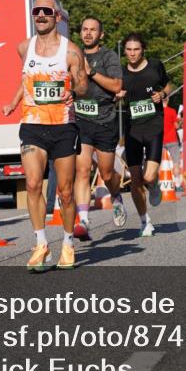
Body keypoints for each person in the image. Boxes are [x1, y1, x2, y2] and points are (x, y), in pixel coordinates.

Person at [2, 0, 88, 271]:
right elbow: (27, 79)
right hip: (32, 125)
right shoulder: (24, 47)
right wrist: (14, 102)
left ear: (57, 17)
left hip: (63, 127)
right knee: (32, 184)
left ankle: (67, 243)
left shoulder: (71, 51)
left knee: (64, 192)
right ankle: (40, 245)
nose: (40, 15)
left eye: (46, 11)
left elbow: (84, 86)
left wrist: (75, 85)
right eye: (36, 11)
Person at [72, 17, 125, 242]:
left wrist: (91, 71)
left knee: (106, 173)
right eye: (85, 29)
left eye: (93, 30)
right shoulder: (73, 55)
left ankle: (116, 195)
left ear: (100, 35)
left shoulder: (108, 56)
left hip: (105, 120)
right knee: (82, 170)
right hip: (81, 120)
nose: (88, 33)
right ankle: (83, 219)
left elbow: (116, 86)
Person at [118, 33, 173, 236]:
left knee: (148, 175)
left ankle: (154, 182)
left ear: (143, 50)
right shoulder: (121, 73)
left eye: (136, 49)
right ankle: (144, 221)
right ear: (125, 51)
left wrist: (163, 94)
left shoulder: (155, 66)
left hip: (153, 127)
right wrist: (117, 95)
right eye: (129, 50)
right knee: (135, 180)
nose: (132, 54)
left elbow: (168, 84)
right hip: (132, 130)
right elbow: (114, 93)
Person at [163, 98, 182, 190]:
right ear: (167, 100)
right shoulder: (171, 111)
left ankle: (161, 182)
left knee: (160, 162)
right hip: (172, 140)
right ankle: (177, 183)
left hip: (160, 141)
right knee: (176, 161)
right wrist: (179, 123)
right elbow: (176, 126)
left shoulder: (157, 112)